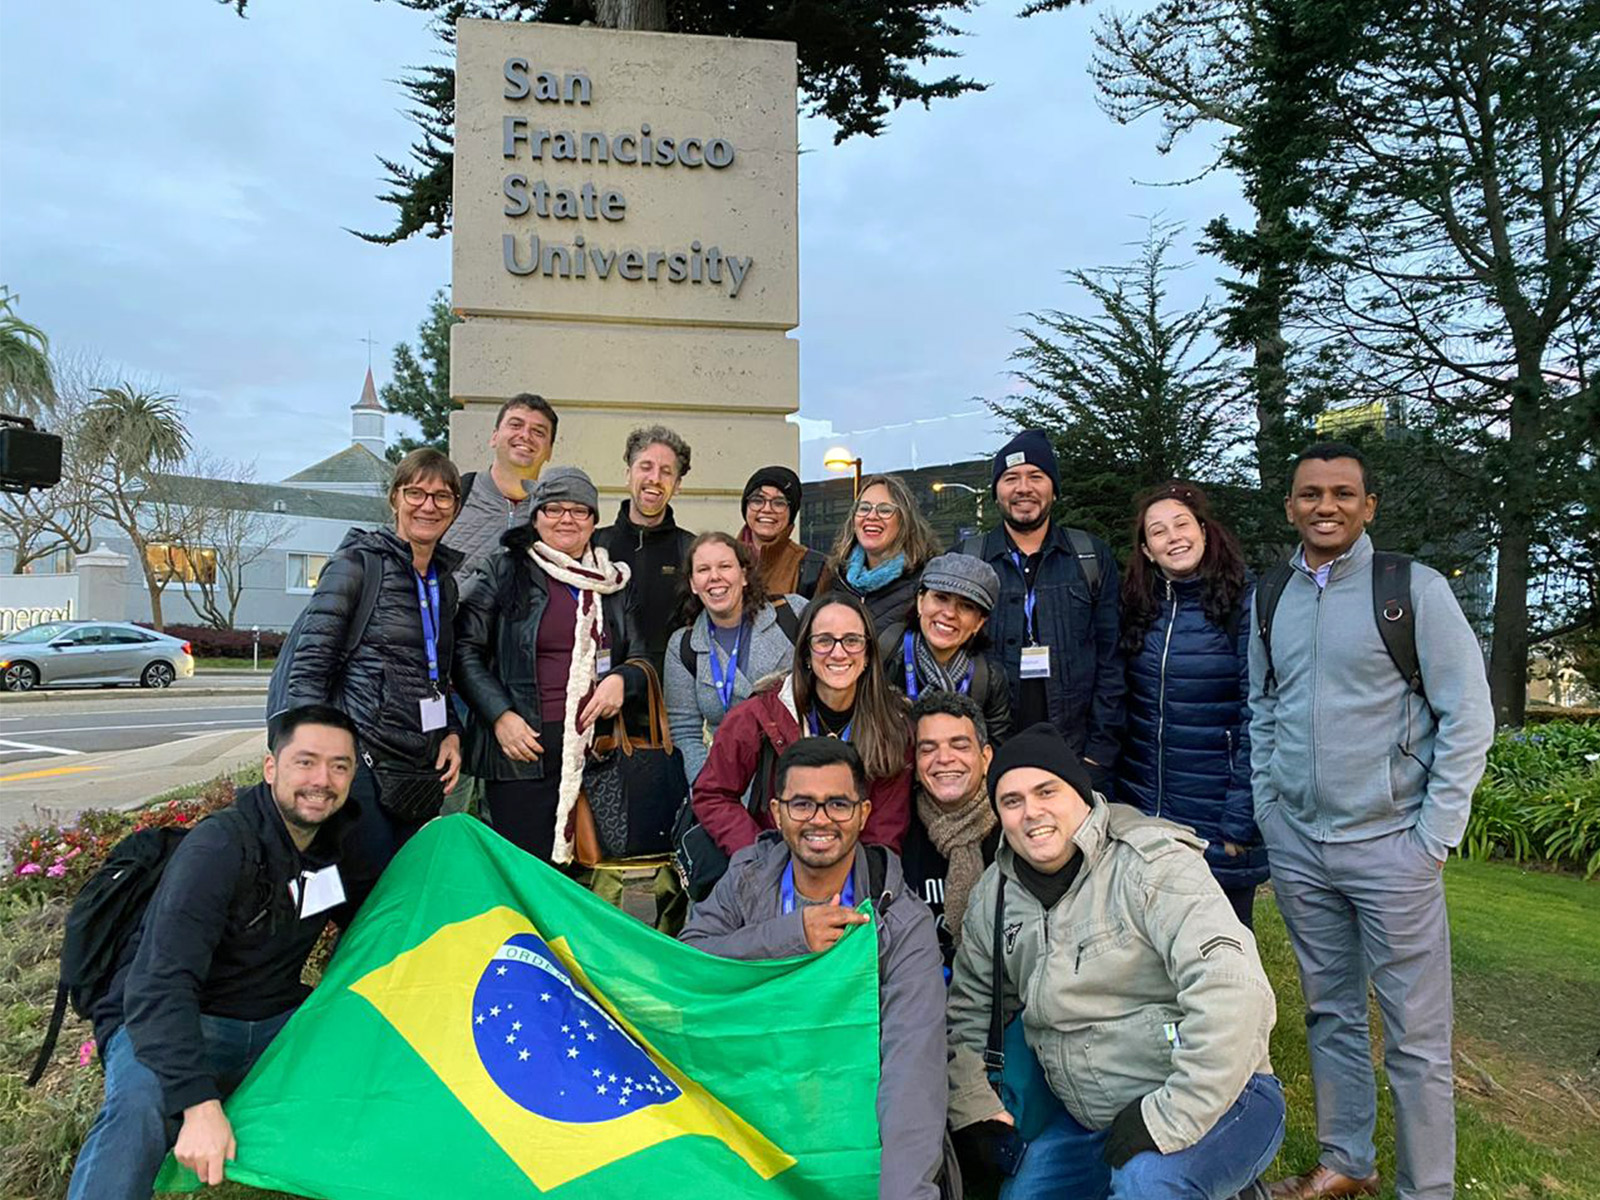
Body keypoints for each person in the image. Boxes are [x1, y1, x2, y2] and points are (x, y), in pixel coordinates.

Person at [1252, 443, 1494, 1200]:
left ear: (1368, 506)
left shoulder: (1410, 589)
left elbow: (1469, 716)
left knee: (1418, 1042)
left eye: (1343, 494)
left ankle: (1428, 1190)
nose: (1327, 506)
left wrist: (1433, 839)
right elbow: (1264, 708)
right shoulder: (1272, 597)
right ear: (1290, 505)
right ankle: (1346, 1162)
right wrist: (1270, 807)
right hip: (1299, 845)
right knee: (1330, 1014)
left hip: (1394, 848)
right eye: (1311, 494)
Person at [947, 723, 1284, 1200]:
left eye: (1047, 791)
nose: (1031, 813)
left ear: (1081, 795)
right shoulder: (994, 897)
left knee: (1146, 1185)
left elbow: (1233, 991)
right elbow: (968, 1015)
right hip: (1092, 1120)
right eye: (1012, 800)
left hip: (1220, 1097)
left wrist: (1167, 1119)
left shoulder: (1153, 865)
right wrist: (975, 1107)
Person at [71, 705, 363, 1199]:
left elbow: (373, 919)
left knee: (372, 1051)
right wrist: (199, 1104)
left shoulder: (336, 843)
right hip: (180, 1017)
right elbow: (160, 983)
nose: (323, 780)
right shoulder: (219, 847)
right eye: (306, 762)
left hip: (273, 1019)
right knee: (141, 1105)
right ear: (271, 768)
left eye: (339, 766)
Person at [681, 737, 947, 1200]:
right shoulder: (747, 878)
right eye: (803, 804)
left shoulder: (901, 919)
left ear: (864, 814)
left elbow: (913, 1067)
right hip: (752, 1115)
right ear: (777, 812)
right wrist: (790, 937)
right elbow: (688, 968)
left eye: (838, 804)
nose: (820, 819)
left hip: (847, 1124)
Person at [281, 447, 464, 873]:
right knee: (364, 902)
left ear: (454, 508)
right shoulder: (357, 565)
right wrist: (319, 761)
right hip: (361, 765)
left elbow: (438, 673)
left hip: (418, 772)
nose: (428, 506)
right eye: (416, 492)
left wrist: (452, 732)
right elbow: (309, 671)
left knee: (402, 897)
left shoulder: (444, 583)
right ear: (395, 498)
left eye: (442, 497)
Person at [453, 466, 648, 863]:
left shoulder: (611, 583)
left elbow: (641, 656)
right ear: (536, 515)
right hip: (522, 752)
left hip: (596, 755)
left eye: (579, 511)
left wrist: (623, 681)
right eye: (554, 508)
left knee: (590, 873)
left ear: (594, 521)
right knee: (526, 874)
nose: (566, 519)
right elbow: (463, 650)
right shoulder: (504, 570)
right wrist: (499, 716)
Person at [1117, 481, 1267, 927]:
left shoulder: (1245, 601)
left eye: (1182, 524)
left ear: (1204, 530)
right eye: (1158, 531)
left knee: (1225, 958)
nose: (1173, 537)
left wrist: (1240, 821)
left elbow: (1257, 715)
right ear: (1146, 550)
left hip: (1218, 816)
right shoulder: (1138, 606)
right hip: (1147, 811)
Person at [964, 429, 1125, 794]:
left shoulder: (1090, 557)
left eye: (1036, 476)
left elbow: (1112, 663)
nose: (1023, 488)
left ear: (1054, 488)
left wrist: (1099, 756)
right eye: (1010, 479)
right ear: (996, 492)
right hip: (993, 754)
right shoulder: (970, 560)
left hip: (1076, 754)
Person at [691, 592, 912, 854]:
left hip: (854, 876)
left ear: (867, 655)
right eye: (824, 641)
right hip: (773, 871)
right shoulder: (760, 715)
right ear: (806, 652)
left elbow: (884, 831)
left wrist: (855, 880)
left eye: (852, 641)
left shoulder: (893, 725)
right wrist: (760, 857)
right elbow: (713, 794)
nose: (838, 652)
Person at [664, 531, 807, 783]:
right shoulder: (683, 646)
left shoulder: (793, 614)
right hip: (729, 783)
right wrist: (711, 790)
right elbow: (684, 731)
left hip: (799, 776)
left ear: (743, 575)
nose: (714, 576)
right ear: (693, 584)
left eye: (725, 566)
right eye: (703, 569)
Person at [903, 691, 1000, 970]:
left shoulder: (1016, 827)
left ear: (985, 758)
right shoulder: (898, 828)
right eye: (928, 748)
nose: (944, 758)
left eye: (959, 745)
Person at [594, 424, 696, 679]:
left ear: (678, 484)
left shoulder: (692, 551)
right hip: (601, 697)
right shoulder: (594, 545)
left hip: (668, 700)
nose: (655, 479)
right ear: (628, 473)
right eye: (646, 467)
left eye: (666, 472)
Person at [814, 473, 939, 665]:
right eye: (864, 508)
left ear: (904, 520)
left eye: (885, 510)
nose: (872, 516)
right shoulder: (834, 578)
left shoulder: (926, 584)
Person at [893, 552, 1013, 744]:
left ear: (979, 622)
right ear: (920, 601)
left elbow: (994, 751)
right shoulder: (886, 655)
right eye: (941, 598)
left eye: (966, 606)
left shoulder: (989, 679)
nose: (949, 613)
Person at [441, 393, 558, 582]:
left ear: (549, 451)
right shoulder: (452, 496)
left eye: (538, 432)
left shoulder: (555, 514)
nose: (525, 435)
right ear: (494, 437)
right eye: (515, 425)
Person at [738, 465, 826, 599]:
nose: (767, 509)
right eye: (757, 500)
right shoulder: (719, 558)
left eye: (779, 503)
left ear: (792, 512)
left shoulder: (814, 566)